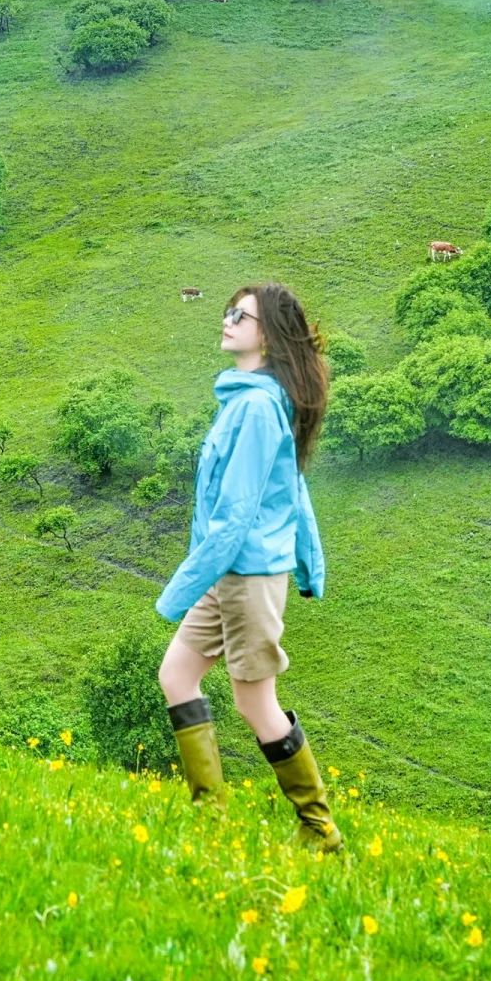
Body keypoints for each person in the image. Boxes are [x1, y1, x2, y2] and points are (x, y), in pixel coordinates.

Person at [156, 282, 341, 852]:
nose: (228, 320)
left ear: (268, 335)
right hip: (230, 573)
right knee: (176, 675)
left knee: (254, 702)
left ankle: (320, 831)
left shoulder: (257, 407)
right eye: (228, 310)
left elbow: (236, 516)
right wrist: (309, 565)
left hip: (247, 576)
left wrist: (178, 590)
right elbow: (294, 491)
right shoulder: (247, 400)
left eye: (242, 315)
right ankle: (209, 817)